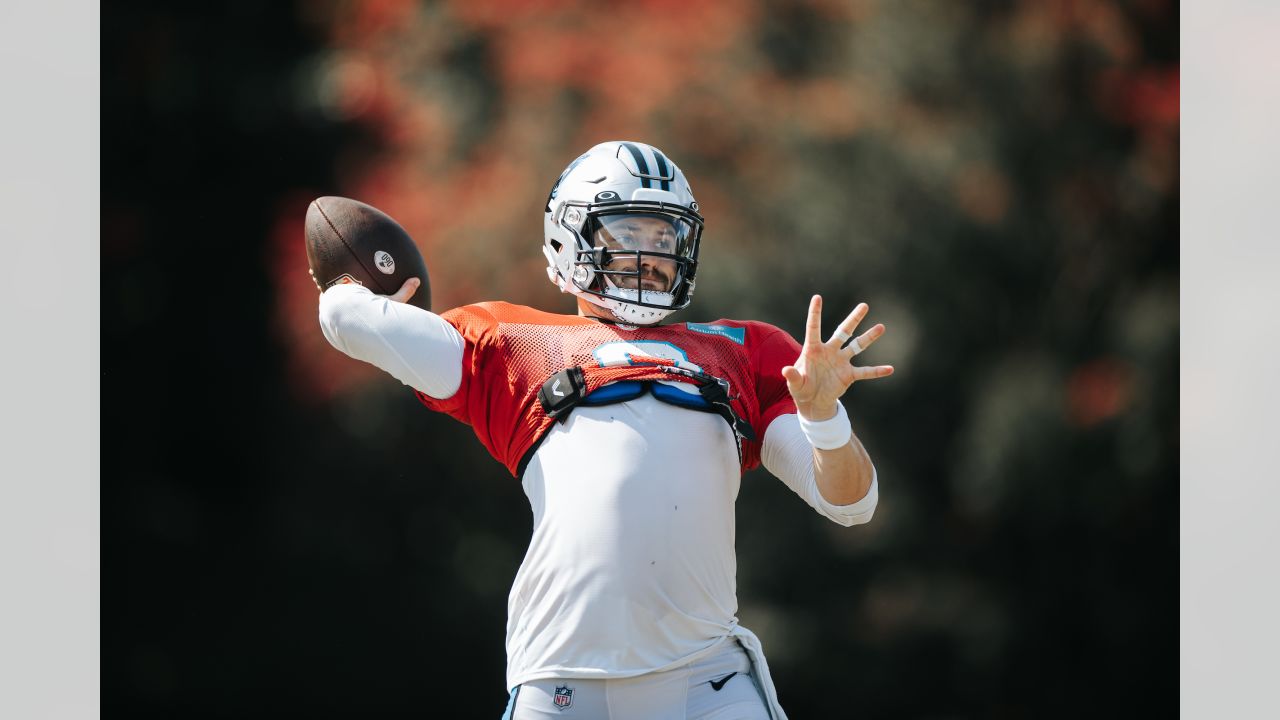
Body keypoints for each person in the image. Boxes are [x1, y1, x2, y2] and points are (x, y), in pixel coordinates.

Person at [318, 141, 893, 719]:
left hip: (707, 683)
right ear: (568, 241)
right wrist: (367, 288)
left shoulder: (744, 350)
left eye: (663, 236)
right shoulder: (508, 341)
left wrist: (825, 418)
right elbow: (344, 316)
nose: (650, 253)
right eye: (628, 233)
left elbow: (851, 501)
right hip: (563, 684)